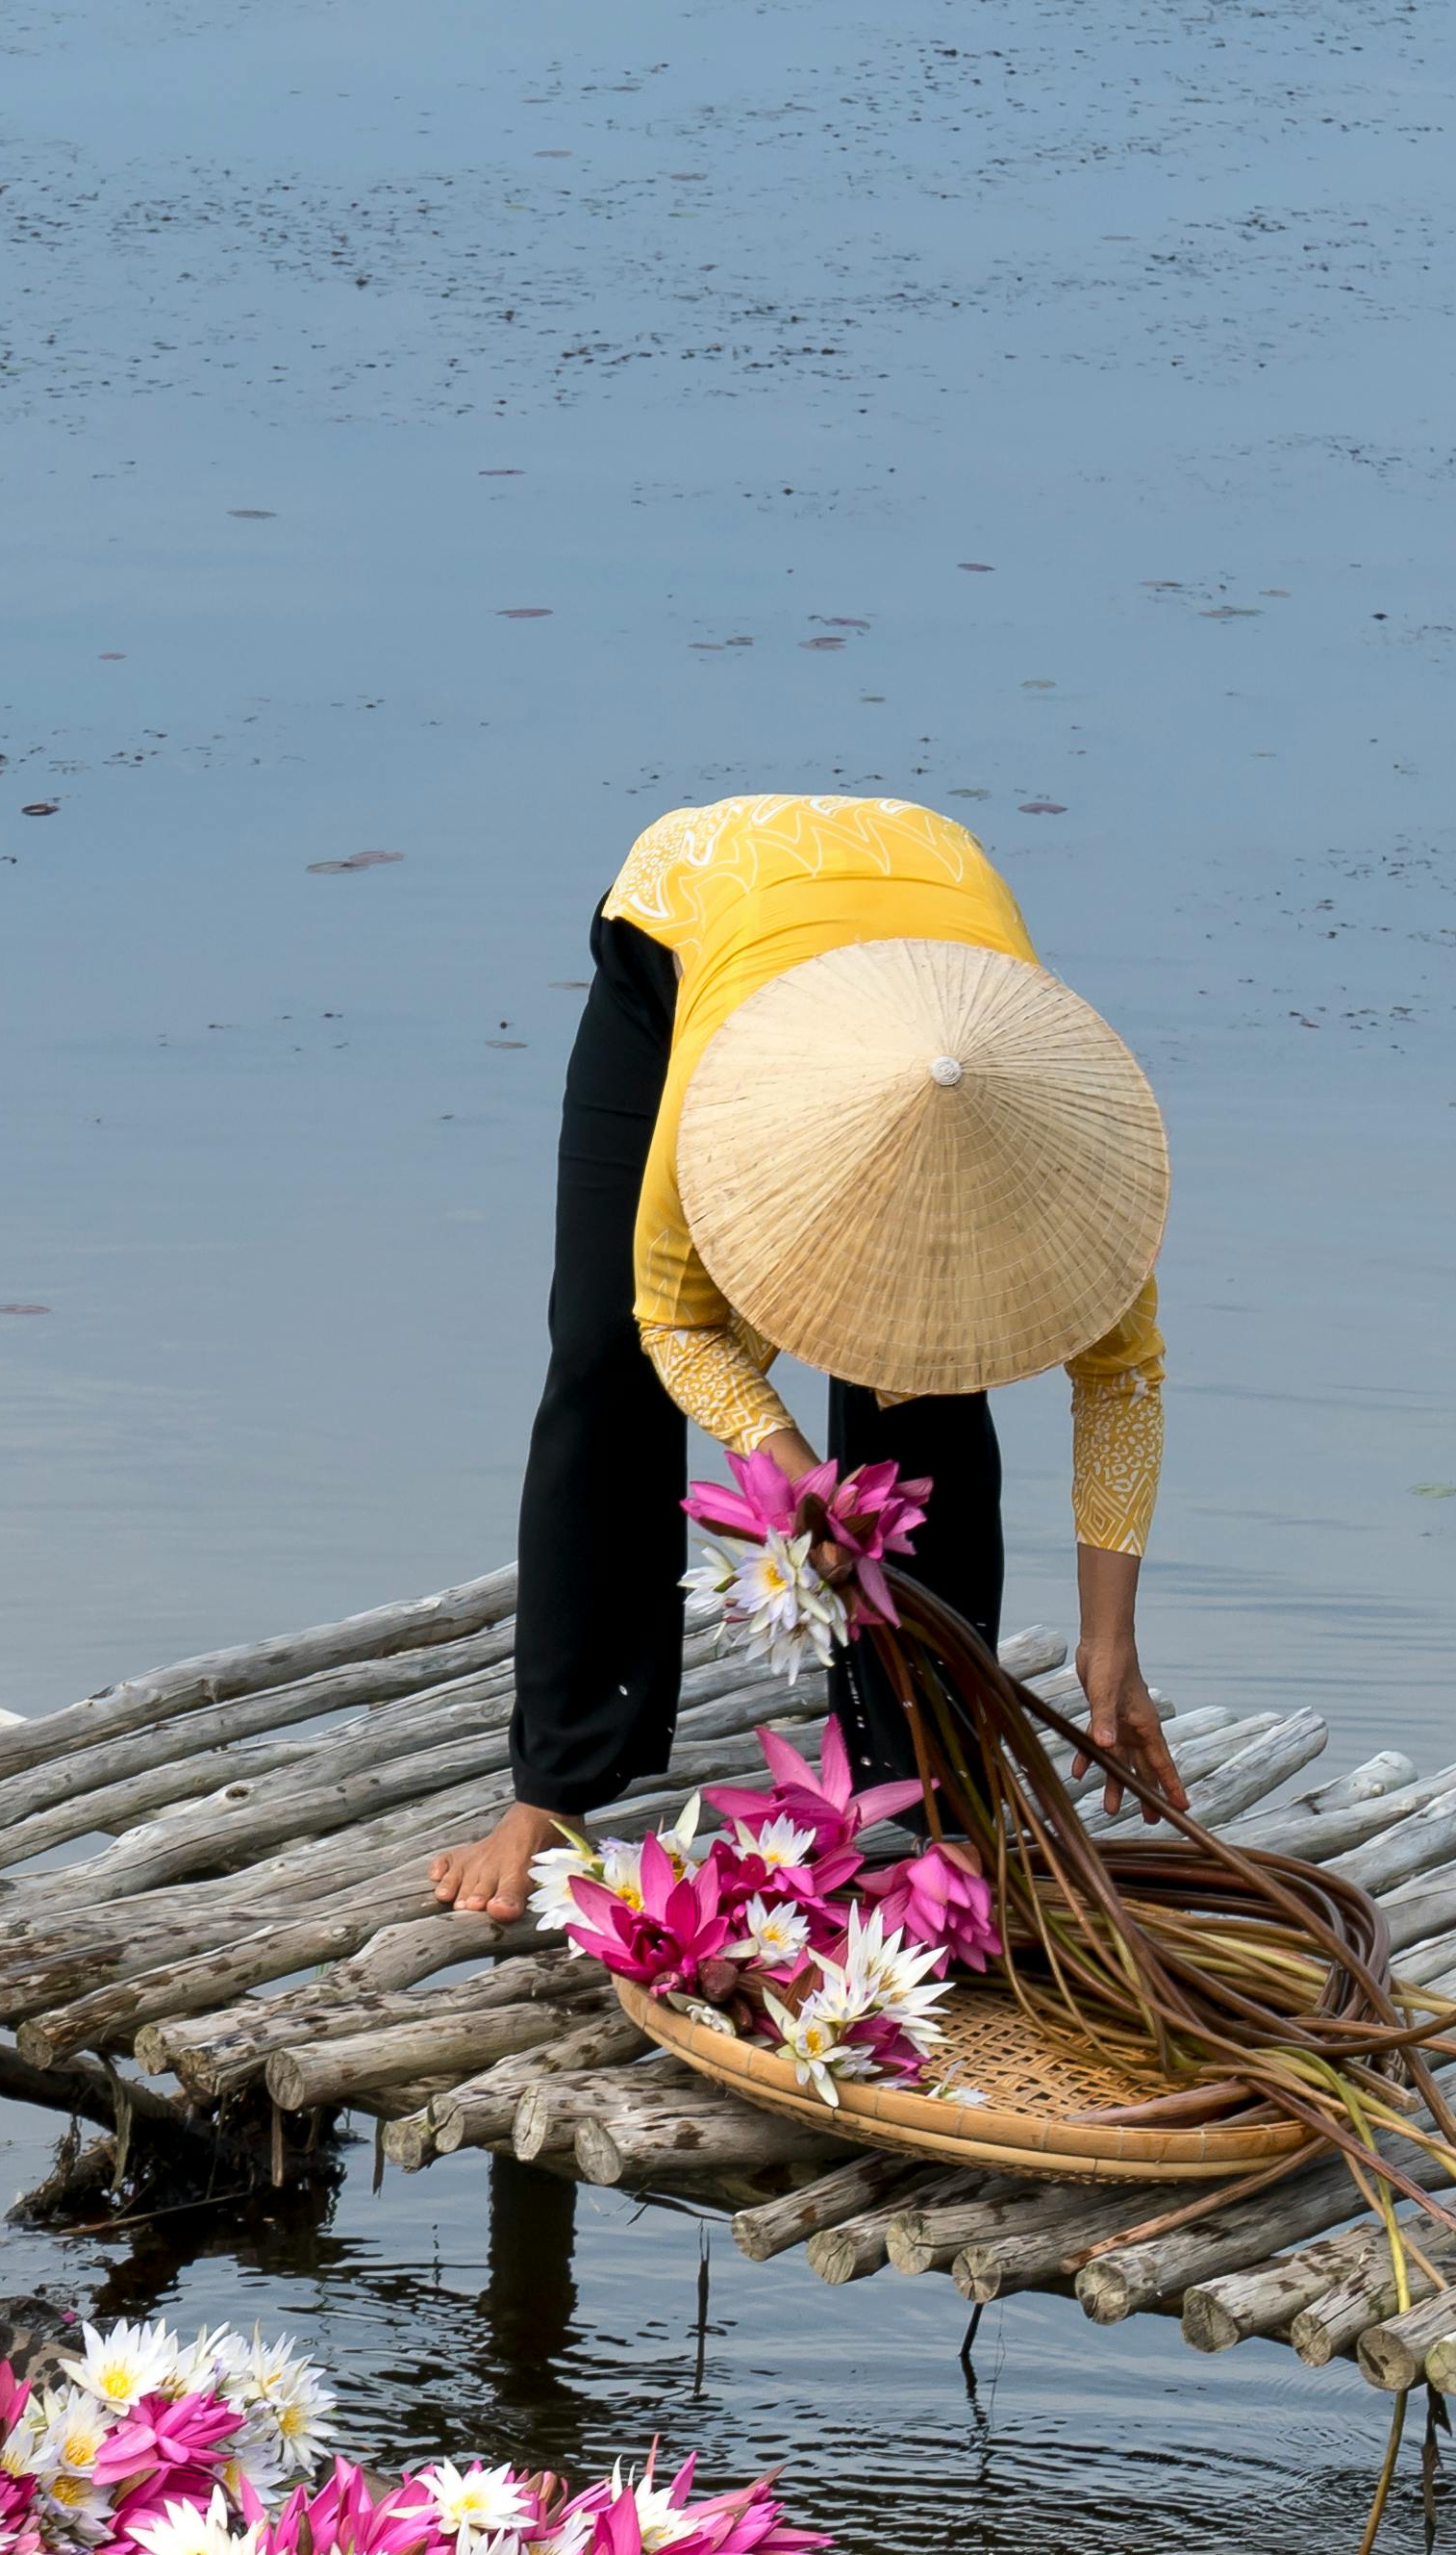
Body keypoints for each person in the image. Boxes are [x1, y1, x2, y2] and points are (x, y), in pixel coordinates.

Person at [431, 795, 1178, 1927]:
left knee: (928, 1372)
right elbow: (673, 1324)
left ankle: (930, 1795)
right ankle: (556, 1784)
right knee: (600, 1355)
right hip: (697, 918)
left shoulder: (1063, 1142)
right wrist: (797, 1480)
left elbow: (1121, 1375)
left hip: (934, 939)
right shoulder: (712, 1096)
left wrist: (1108, 1639)